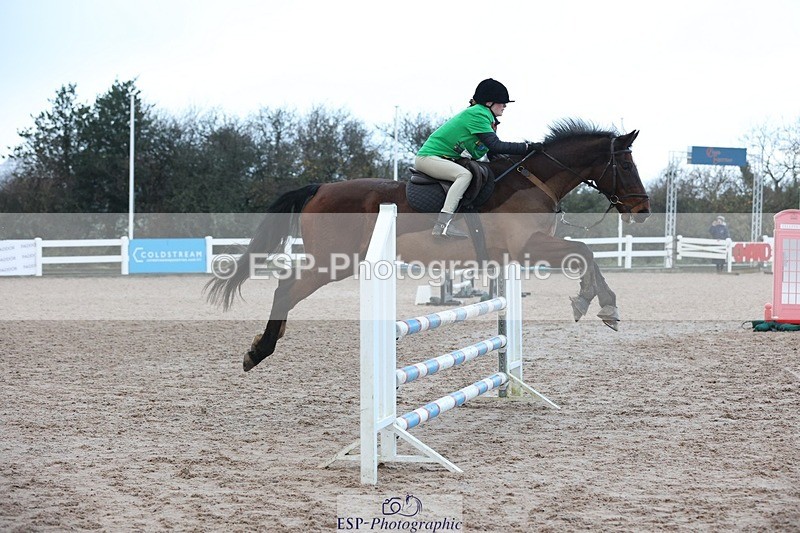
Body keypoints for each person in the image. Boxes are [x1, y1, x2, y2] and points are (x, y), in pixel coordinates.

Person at [415, 78, 543, 238]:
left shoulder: (488, 119)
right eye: (502, 102)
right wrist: (527, 147)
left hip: (447, 159)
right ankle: (442, 225)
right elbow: (496, 145)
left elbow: (492, 153)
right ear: (489, 103)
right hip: (428, 158)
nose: (505, 106)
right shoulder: (477, 114)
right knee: (464, 175)